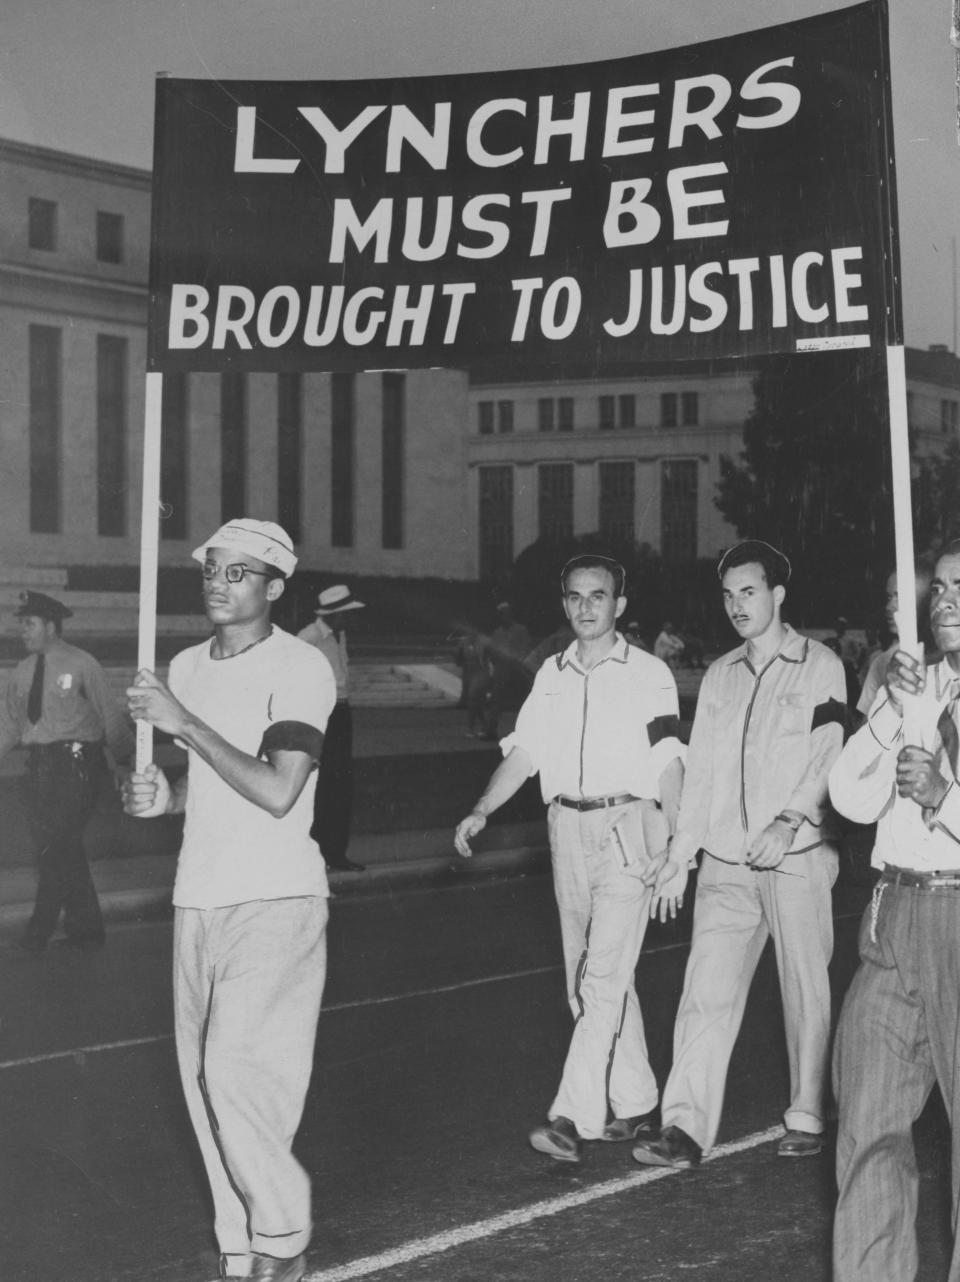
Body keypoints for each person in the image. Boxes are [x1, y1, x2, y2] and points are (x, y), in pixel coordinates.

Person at [123, 519, 335, 1282]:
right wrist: (161, 794)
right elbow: (208, 783)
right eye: (213, 569)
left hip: (276, 896)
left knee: (237, 1072)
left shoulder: (302, 665)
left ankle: (284, 1236)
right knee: (201, 1084)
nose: (219, 583)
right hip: (199, 896)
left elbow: (279, 787)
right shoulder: (185, 665)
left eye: (239, 573)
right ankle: (241, 1245)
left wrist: (182, 722)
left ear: (274, 587)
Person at [454, 554, 685, 1163]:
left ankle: (571, 1117)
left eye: (599, 596)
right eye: (577, 597)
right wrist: (482, 808)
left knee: (602, 976)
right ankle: (635, 1102)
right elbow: (526, 752)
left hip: (629, 827)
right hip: (566, 828)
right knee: (591, 977)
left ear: (620, 606)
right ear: (565, 605)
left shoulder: (649, 672)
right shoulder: (550, 675)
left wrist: (679, 850)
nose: (587, 607)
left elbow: (668, 760)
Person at [632, 539, 846, 1171]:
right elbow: (701, 778)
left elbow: (829, 750)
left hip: (796, 853)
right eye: (727, 595)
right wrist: (680, 851)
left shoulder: (820, 663)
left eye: (748, 592)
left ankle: (806, 1112)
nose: (736, 605)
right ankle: (683, 1128)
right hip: (726, 861)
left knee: (804, 989)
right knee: (705, 990)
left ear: (778, 595)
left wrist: (791, 818)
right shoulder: (722, 674)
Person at [829, 540, 960, 1281]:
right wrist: (888, 716)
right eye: (938, 587)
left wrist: (944, 794)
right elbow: (847, 796)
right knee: (869, 1126)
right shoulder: (907, 686)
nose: (945, 600)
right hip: (893, 913)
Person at [0, 589, 133, 952]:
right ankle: (87, 930)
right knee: (60, 847)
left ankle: (36, 934)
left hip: (79, 766)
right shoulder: (22, 672)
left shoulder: (81, 663)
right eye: (22, 625)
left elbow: (109, 714)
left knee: (56, 848)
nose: (22, 631)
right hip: (40, 769)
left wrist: (123, 761)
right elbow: (10, 725)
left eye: (29, 624)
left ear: (51, 626)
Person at [298, 584, 366, 872]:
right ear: (335, 615)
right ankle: (312, 855)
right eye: (346, 615)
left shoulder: (340, 636)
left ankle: (335, 853)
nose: (350, 620)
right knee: (319, 785)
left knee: (340, 784)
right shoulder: (308, 638)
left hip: (341, 712)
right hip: (319, 713)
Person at [487, 602, 533, 734]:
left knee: (524, 700)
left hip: (517, 668)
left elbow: (525, 648)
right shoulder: (497, 633)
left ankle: (528, 730)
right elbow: (493, 651)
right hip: (502, 668)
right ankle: (491, 729)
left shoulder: (520, 630)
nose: (504, 617)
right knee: (496, 699)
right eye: (501, 614)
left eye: (506, 613)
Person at [452, 625, 496, 739]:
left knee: (472, 700)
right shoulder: (463, 643)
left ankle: (471, 728)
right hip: (468, 674)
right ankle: (484, 725)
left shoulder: (485, 642)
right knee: (476, 703)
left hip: (481, 674)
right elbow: (458, 657)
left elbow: (492, 656)